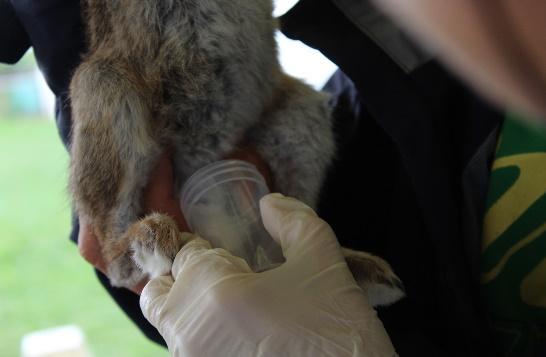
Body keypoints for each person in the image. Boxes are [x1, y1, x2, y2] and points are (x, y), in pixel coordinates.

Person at [2, 0, 544, 355]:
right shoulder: (440, 77)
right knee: (106, 88)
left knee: (303, 117)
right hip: (170, 114)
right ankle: (274, 253)